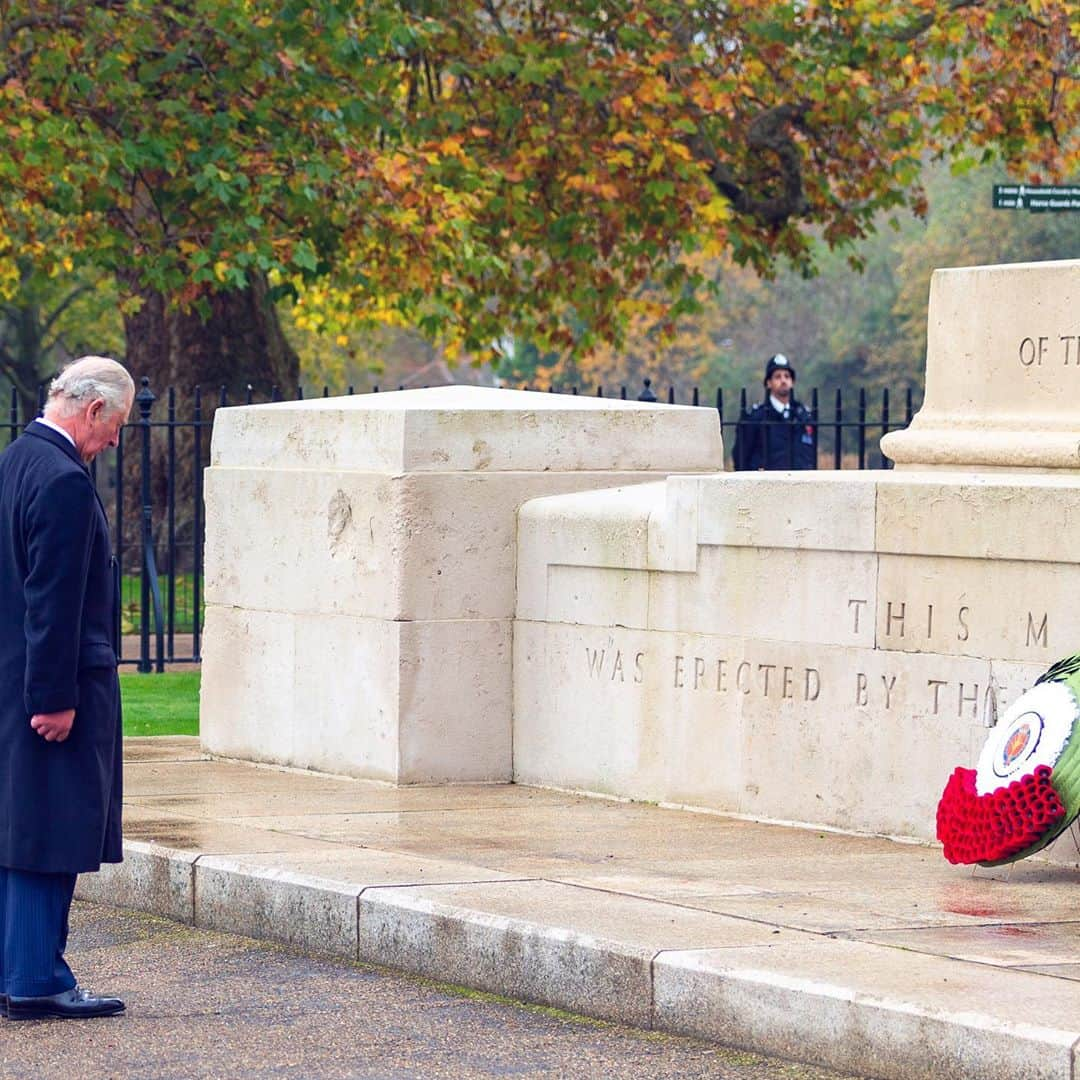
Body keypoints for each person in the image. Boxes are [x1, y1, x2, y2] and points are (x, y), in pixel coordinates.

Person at [0, 356, 134, 1021]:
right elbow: (51, 602)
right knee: (47, 832)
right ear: (94, 410)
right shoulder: (62, 481)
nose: (114, 443)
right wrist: (53, 697)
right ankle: (35, 977)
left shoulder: (17, 460)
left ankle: (18, 969)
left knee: (22, 825)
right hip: (50, 688)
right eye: (116, 429)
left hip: (14, 680)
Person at [731, 354, 817, 470]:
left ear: (792, 382)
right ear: (768, 383)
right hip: (766, 485)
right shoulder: (755, 417)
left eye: (787, 376)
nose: (783, 380)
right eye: (777, 377)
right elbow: (741, 458)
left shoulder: (803, 416)